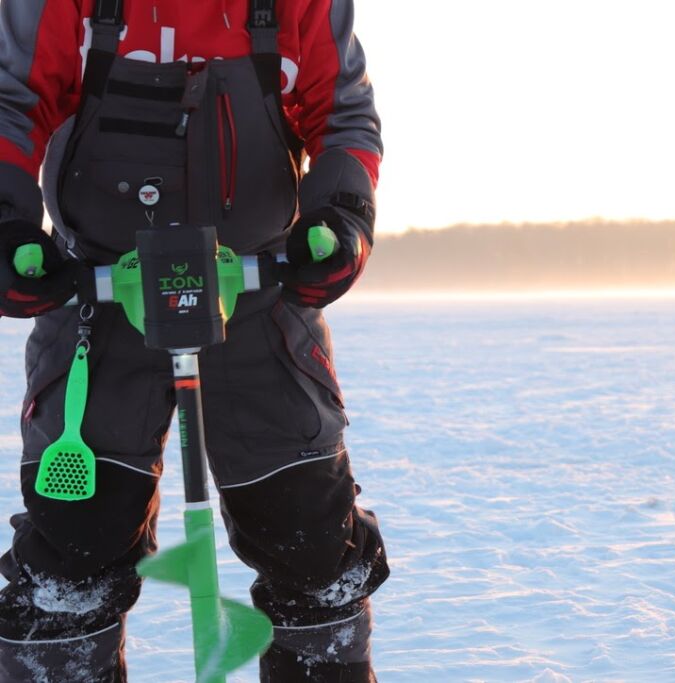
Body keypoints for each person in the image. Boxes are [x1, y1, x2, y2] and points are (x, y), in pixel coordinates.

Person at [0, 0, 389, 680]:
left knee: (310, 541)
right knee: (72, 552)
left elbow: (343, 115)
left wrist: (341, 213)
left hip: (259, 298)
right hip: (101, 302)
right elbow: (11, 98)